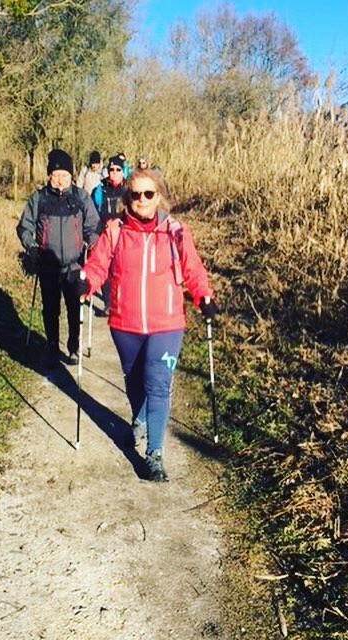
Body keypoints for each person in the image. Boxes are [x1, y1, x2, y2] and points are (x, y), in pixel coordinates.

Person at [77, 169, 218, 481]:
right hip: (124, 323)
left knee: (158, 384)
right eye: (136, 194)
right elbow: (98, 265)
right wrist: (86, 282)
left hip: (166, 324)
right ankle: (139, 418)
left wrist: (204, 296)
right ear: (128, 199)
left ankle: (154, 454)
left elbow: (193, 270)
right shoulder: (114, 231)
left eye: (148, 194)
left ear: (158, 197)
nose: (142, 200)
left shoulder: (176, 232)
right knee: (134, 381)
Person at [17, 148, 100, 368]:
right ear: (49, 176)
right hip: (48, 266)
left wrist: (90, 243)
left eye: (65, 175)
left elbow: (93, 226)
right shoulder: (39, 198)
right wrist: (32, 247)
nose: (60, 180)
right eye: (56, 175)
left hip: (74, 265)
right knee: (50, 309)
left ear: (71, 176)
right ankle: (52, 347)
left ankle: (73, 347)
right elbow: (24, 227)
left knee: (74, 309)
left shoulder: (81, 197)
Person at [90, 155, 127, 315]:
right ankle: (108, 303)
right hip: (104, 236)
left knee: (120, 270)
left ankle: (121, 301)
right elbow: (92, 214)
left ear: (123, 172)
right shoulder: (99, 190)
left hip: (123, 236)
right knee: (104, 269)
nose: (114, 173)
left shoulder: (128, 190)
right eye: (111, 170)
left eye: (118, 170)